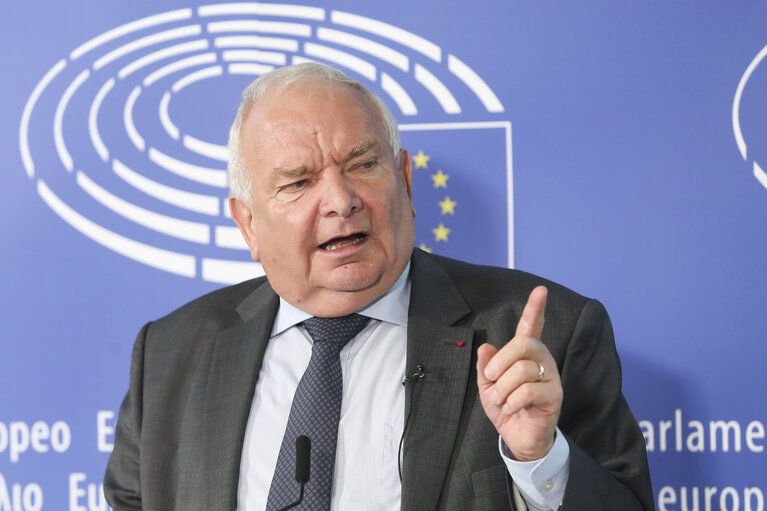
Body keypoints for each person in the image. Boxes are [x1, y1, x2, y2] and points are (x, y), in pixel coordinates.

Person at [104, 63, 653, 510]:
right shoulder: (170, 354)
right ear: (248, 224)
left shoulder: (541, 335)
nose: (341, 200)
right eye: (298, 182)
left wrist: (539, 461)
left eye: (363, 164)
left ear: (406, 182)